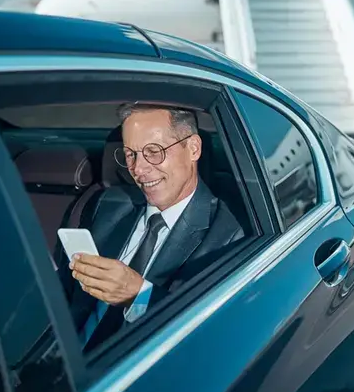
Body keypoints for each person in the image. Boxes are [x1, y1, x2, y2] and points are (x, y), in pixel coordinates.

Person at [64, 102, 245, 352]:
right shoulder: (107, 206)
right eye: (130, 154)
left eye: (154, 151)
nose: (138, 169)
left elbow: (208, 336)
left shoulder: (227, 235)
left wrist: (138, 295)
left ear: (193, 148)